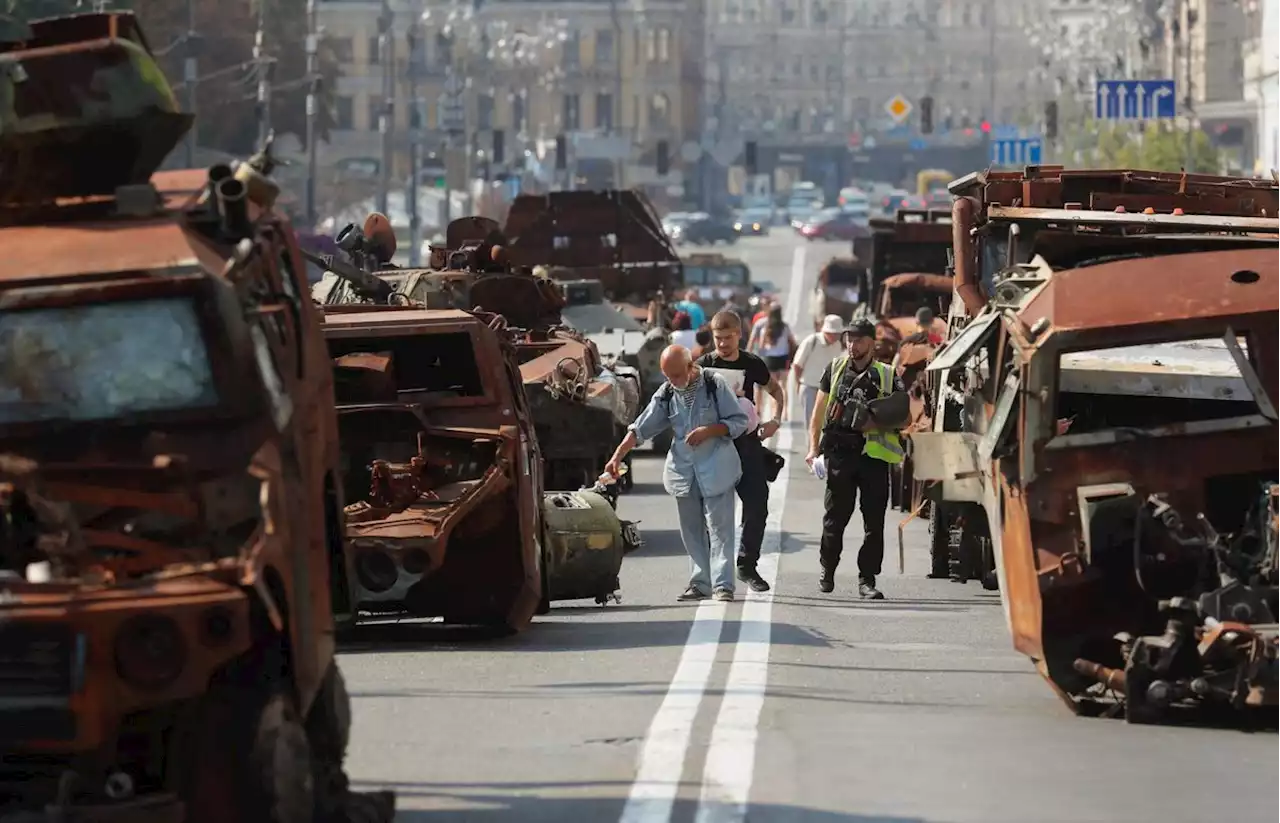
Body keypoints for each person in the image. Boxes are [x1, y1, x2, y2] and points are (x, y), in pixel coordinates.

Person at [606, 345, 749, 602]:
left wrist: (710, 430)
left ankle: (723, 585)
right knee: (691, 529)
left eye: (677, 374)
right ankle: (700, 583)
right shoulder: (667, 393)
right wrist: (616, 457)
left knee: (720, 529)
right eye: (668, 376)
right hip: (684, 472)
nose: (673, 381)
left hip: (717, 467)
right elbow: (640, 429)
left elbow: (739, 421)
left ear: (690, 367)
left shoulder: (714, 385)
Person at [805, 319, 909, 600]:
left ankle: (867, 579)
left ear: (872, 342)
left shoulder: (888, 375)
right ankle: (827, 570)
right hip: (840, 455)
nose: (853, 345)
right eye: (849, 339)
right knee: (834, 520)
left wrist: (874, 422)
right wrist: (813, 449)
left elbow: (904, 415)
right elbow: (818, 411)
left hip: (873, 459)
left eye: (859, 340)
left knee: (873, 523)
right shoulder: (835, 369)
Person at [697, 311, 786, 593]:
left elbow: (776, 390)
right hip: (714, 445)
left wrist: (775, 421)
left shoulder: (751, 363)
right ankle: (714, 570)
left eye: (728, 338)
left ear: (739, 335)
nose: (723, 344)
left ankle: (747, 566)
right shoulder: (703, 366)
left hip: (746, 443)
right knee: (713, 511)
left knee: (757, 503)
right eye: (718, 338)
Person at [793, 314, 845, 438]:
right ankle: (812, 451)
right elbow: (797, 365)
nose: (835, 336)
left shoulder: (837, 345)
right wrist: (797, 384)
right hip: (809, 387)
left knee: (826, 423)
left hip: (827, 389)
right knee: (812, 422)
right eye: (833, 333)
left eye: (838, 334)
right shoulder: (812, 341)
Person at [748, 305, 797, 419]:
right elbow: (792, 342)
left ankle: (775, 413)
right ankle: (785, 412)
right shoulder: (785, 327)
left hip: (769, 359)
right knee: (783, 386)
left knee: (773, 388)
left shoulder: (766, 328)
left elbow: (760, 346)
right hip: (783, 358)